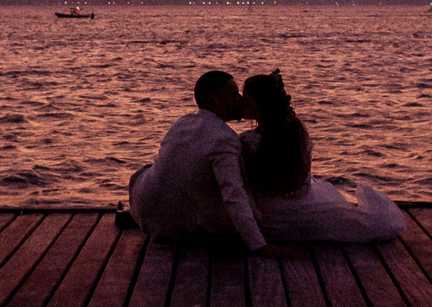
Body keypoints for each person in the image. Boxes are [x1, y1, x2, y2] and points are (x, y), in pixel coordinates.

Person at [128, 70, 283, 255]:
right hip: (176, 229)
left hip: (145, 212)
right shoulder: (225, 139)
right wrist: (258, 244)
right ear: (217, 100)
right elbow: (233, 193)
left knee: (145, 171)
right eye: (234, 94)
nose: (241, 99)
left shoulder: (182, 122)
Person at [240, 70, 407, 243]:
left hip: (270, 221)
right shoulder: (297, 128)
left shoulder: (246, 140)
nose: (241, 102)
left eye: (246, 99)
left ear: (259, 105)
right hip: (302, 210)